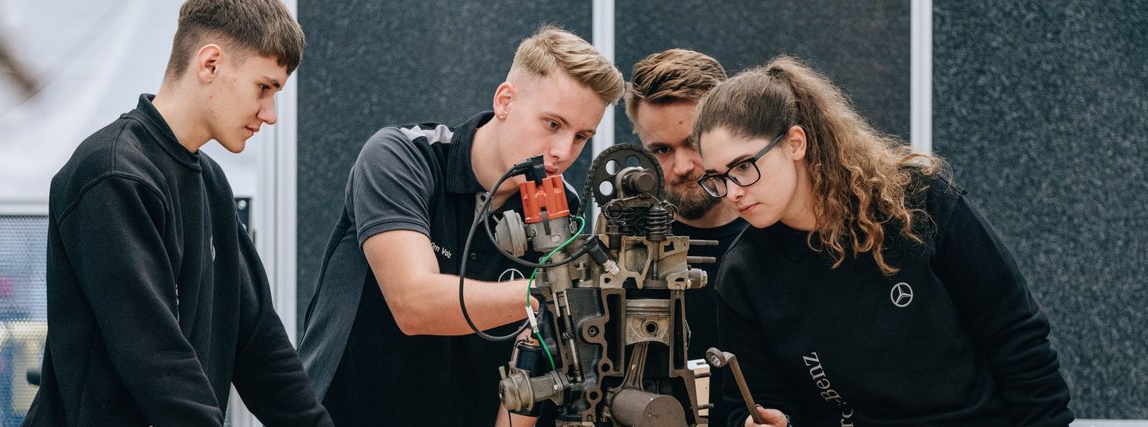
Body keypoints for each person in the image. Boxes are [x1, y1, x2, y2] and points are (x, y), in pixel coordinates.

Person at [692, 56, 1074, 427]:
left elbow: (1016, 337)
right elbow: (756, 399)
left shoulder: (920, 204)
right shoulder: (744, 273)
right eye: (717, 178)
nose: (732, 192)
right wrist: (774, 421)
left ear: (795, 143)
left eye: (744, 166)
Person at [297, 25, 624, 426]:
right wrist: (546, 291)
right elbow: (414, 304)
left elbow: (531, 355)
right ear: (505, 101)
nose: (562, 152)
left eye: (581, 136)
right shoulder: (403, 158)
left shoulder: (563, 207)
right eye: (553, 124)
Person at [24, 1, 331, 425]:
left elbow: (260, 344)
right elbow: (155, 357)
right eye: (264, 88)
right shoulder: (113, 174)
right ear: (210, 64)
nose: (270, 114)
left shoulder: (211, 184)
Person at [623, 48, 747, 427]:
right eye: (660, 150)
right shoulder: (620, 248)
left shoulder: (776, 235)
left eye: (693, 142)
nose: (682, 167)